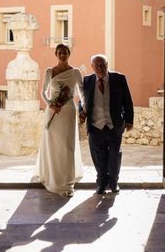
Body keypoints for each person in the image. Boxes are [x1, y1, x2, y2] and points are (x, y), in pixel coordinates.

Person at [33, 43, 84, 197]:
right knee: (53, 145)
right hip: (53, 111)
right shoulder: (49, 71)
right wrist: (51, 105)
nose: (62, 55)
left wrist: (84, 110)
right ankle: (52, 176)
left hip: (68, 110)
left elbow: (82, 93)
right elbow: (43, 92)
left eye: (65, 52)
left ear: (69, 54)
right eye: (60, 52)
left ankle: (67, 182)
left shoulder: (75, 72)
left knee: (67, 145)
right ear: (56, 54)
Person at [79, 54, 133, 195]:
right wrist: (81, 113)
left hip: (114, 125)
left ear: (107, 64)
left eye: (103, 65)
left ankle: (114, 182)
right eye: (97, 65)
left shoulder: (119, 78)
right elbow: (82, 100)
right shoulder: (87, 80)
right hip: (95, 125)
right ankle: (101, 183)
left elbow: (127, 100)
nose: (100, 68)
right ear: (92, 67)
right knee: (98, 155)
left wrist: (129, 120)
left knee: (115, 155)